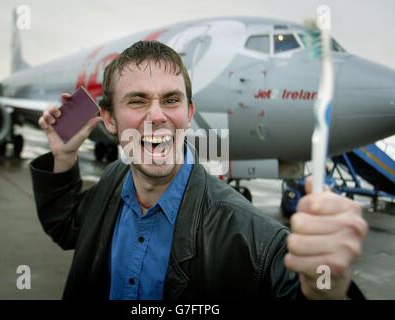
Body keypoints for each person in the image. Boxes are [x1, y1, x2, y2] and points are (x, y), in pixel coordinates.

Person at [30, 41, 367, 300]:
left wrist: (326, 289)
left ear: (188, 113)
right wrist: (64, 157)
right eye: (137, 101)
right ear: (109, 120)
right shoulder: (113, 180)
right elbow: (65, 226)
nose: (157, 116)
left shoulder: (254, 239)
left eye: (171, 100)